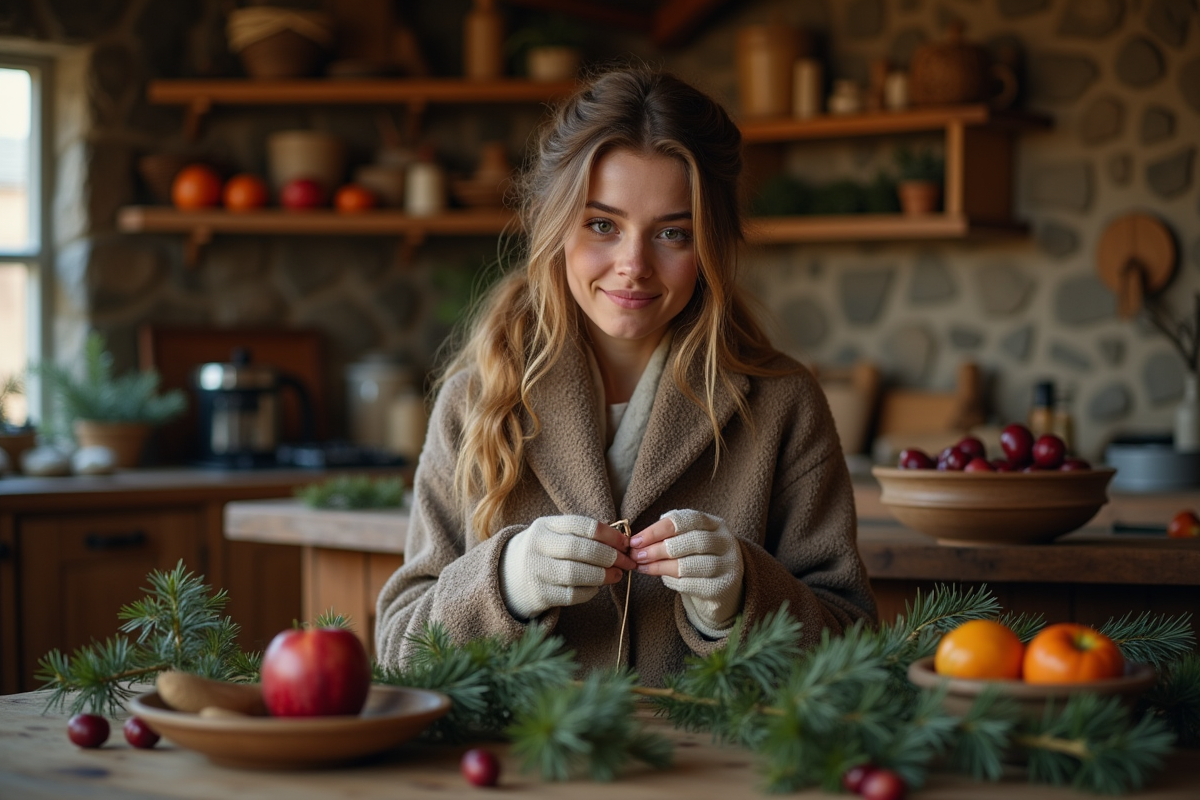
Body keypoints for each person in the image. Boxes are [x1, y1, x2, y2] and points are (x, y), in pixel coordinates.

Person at [375, 66, 877, 686]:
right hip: (522, 771)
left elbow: (853, 651)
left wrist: (745, 596)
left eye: (673, 232)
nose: (633, 266)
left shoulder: (783, 403)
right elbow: (400, 648)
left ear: (713, 244)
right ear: (554, 222)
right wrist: (505, 583)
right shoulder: (475, 400)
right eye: (602, 225)